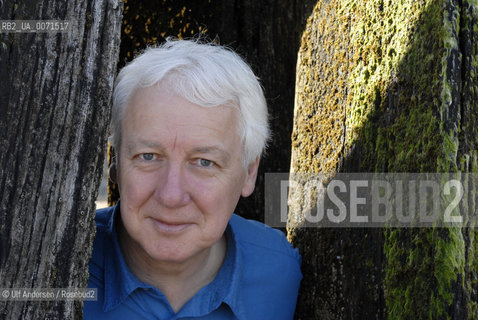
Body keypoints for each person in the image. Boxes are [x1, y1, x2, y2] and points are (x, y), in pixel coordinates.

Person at [84, 38, 302, 319]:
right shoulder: (53, 268)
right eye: (148, 156)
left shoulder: (279, 272)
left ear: (249, 173)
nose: (171, 195)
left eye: (204, 162)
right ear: (115, 163)